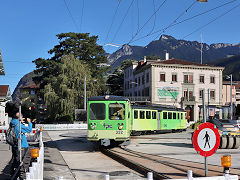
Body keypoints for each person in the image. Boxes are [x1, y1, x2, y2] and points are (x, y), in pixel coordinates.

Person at [10, 112, 32, 179]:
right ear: (20, 118)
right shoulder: (18, 124)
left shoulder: (12, 123)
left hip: (14, 145)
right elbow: (29, 129)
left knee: (15, 160)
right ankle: (21, 176)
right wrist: (29, 122)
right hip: (22, 145)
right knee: (22, 162)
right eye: (22, 117)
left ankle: (13, 174)